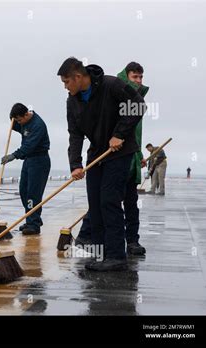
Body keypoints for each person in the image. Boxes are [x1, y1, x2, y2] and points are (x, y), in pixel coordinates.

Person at [57, 57, 145, 271]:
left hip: (119, 152)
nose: (66, 87)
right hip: (97, 153)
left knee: (109, 201)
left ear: (78, 77)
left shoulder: (111, 85)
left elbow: (138, 105)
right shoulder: (72, 100)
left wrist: (119, 134)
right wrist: (75, 164)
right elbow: (75, 134)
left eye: (67, 82)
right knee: (95, 205)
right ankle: (100, 254)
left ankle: (116, 257)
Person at [75, 62, 150, 256]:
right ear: (126, 77)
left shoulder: (130, 98)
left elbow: (136, 135)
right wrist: (75, 164)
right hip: (105, 155)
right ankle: (95, 244)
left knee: (124, 202)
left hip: (126, 156)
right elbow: (76, 132)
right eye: (135, 77)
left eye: (141, 77)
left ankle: (129, 243)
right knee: (102, 201)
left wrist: (138, 155)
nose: (139, 81)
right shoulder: (112, 88)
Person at [0, 103, 51, 235]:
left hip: (39, 160)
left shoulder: (38, 125)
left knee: (33, 194)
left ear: (26, 114)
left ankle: (33, 224)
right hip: (28, 161)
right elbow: (16, 125)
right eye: (16, 120)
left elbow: (29, 146)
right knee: (23, 191)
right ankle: (32, 219)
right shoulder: (24, 120)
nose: (18, 123)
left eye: (19, 120)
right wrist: (11, 119)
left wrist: (13, 155)